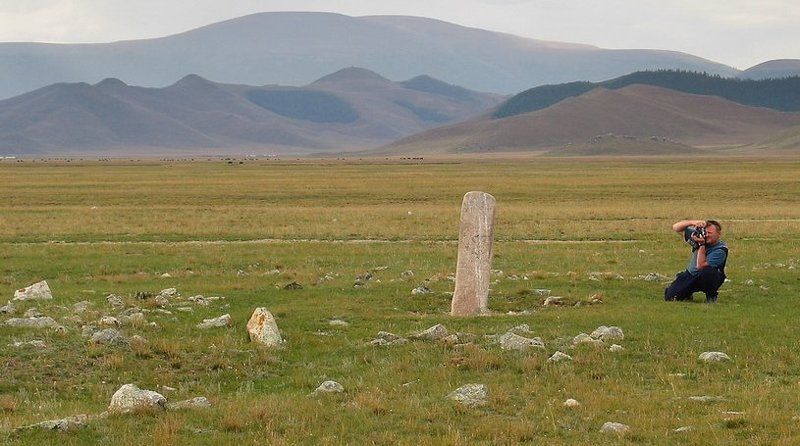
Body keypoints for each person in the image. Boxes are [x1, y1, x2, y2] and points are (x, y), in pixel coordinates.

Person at [664, 219, 728, 303]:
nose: (706, 235)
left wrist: (701, 245)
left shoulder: (720, 250)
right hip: (691, 274)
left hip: (708, 276)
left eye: (710, 233)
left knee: (706, 271)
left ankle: (711, 296)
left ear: (719, 234)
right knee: (671, 296)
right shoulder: (699, 237)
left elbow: (700, 266)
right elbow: (676, 227)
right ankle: (686, 292)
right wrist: (693, 223)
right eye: (705, 232)